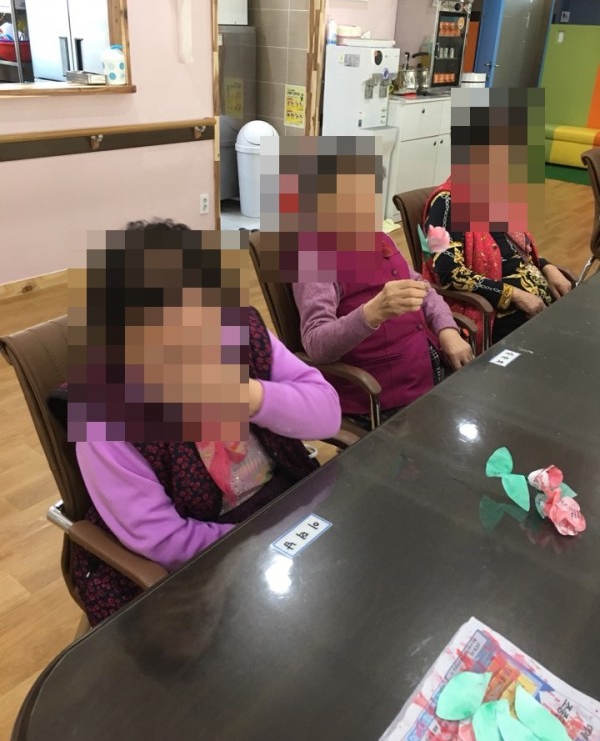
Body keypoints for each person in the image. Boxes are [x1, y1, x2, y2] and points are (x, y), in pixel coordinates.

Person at [62, 219, 342, 626]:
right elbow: (165, 541)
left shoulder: (243, 334)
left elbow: (327, 412)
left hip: (286, 513)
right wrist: (268, 540)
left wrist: (253, 396)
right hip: (204, 563)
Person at [293, 230, 474, 429]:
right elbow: (316, 344)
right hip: (383, 396)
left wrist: (447, 329)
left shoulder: (378, 237)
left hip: (431, 367)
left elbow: (421, 287)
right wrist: (372, 312)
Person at [423, 178, 573, 345]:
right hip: (493, 310)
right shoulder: (445, 204)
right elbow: (449, 272)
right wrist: (515, 296)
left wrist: (547, 267)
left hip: (536, 301)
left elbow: (515, 251)